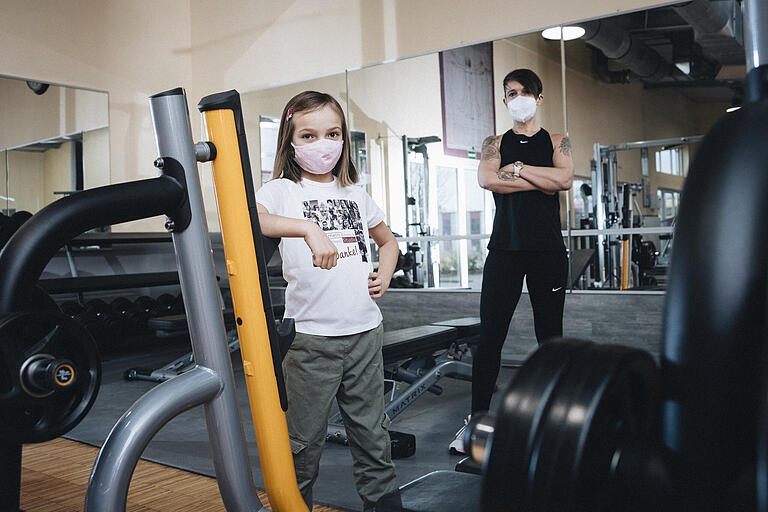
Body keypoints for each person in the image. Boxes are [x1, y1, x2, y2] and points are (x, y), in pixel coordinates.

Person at [254, 91, 403, 512]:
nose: (323, 143)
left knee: (373, 435)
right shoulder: (282, 190)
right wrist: (306, 228)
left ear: (343, 140)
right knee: (301, 444)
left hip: (364, 333)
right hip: (310, 341)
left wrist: (385, 272)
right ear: (291, 141)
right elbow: (254, 218)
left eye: (332, 133)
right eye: (310, 134)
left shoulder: (355, 193)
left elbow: (387, 242)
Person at [449, 69, 574, 454]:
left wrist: (517, 169)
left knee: (550, 339)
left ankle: (554, 421)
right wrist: (541, 177)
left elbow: (566, 179)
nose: (515, 97)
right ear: (504, 101)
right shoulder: (493, 142)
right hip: (504, 249)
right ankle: (475, 422)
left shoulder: (558, 140)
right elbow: (487, 180)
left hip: (547, 251)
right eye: (509, 93)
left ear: (537, 97)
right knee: (490, 339)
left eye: (522, 92)